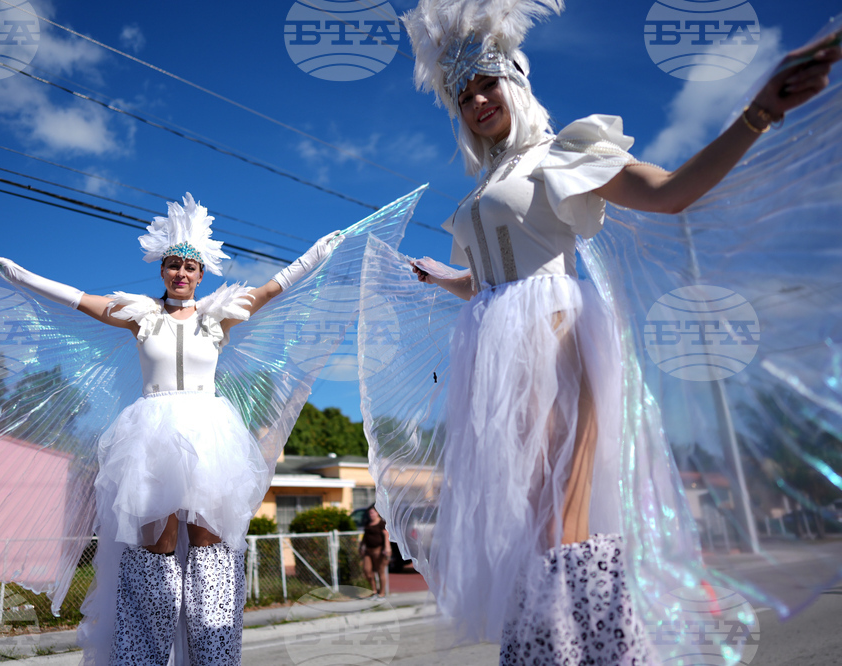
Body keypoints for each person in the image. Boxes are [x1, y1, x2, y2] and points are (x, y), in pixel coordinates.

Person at [357, 0, 842, 663]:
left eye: (486, 84)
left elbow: (670, 191)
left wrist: (759, 110)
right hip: (495, 361)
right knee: (533, 533)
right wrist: (447, 280)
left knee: (564, 527)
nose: (475, 101)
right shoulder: (483, 186)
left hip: (554, 342)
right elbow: (492, 281)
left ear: (516, 83)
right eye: (463, 94)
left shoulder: (561, 154)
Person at [0, 194, 341, 666]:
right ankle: (143, 657)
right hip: (151, 440)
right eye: (174, 265)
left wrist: (316, 255)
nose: (182, 274)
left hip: (210, 437)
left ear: (202, 274)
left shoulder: (218, 316)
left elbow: (275, 287)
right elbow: (77, 299)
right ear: (162, 269)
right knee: (156, 555)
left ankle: (214, 657)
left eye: (191, 267)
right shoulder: (141, 317)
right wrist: (20, 275)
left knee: (212, 556)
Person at [358, 505, 391, 597]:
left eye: (372, 512)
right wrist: (361, 547)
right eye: (369, 513)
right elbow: (365, 537)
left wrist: (387, 548)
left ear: (377, 513)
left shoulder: (382, 524)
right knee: (367, 570)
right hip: (368, 550)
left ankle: (382, 593)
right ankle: (373, 590)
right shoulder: (368, 524)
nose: (371, 515)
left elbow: (386, 535)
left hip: (379, 550)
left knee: (380, 571)